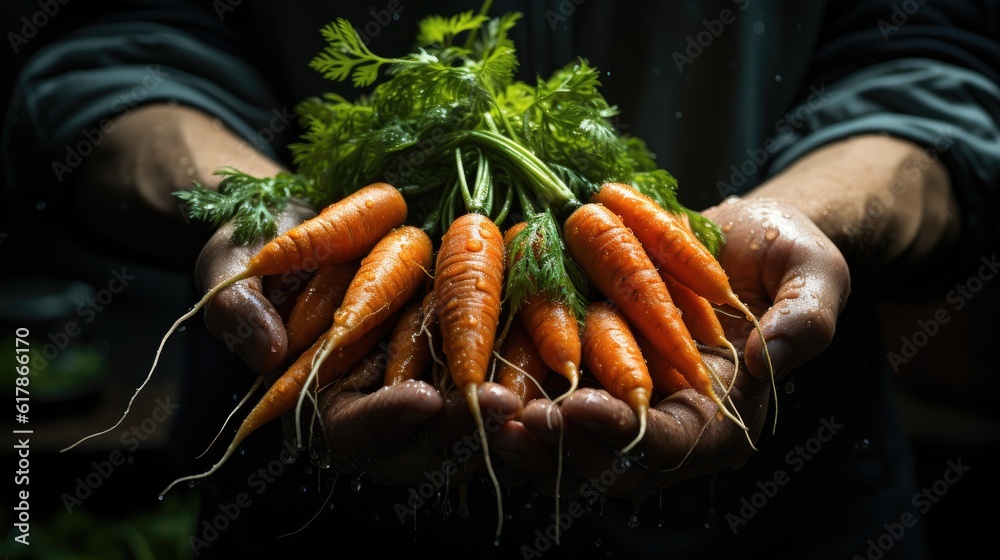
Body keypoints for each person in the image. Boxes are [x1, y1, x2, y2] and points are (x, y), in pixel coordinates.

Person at [4, 1, 998, 558]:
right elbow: (112, 45)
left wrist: (812, 221)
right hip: (307, 506)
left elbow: (933, 54)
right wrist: (255, 222)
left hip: (775, 494)